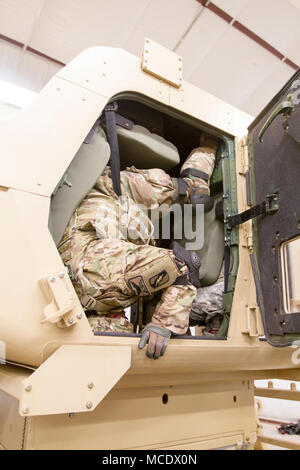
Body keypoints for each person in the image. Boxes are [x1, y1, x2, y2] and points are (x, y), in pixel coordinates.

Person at [58, 132, 219, 359]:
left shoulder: (102, 278)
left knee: (187, 186)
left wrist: (165, 322)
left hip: (110, 189)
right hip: (96, 228)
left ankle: (207, 148)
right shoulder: (81, 303)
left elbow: (185, 264)